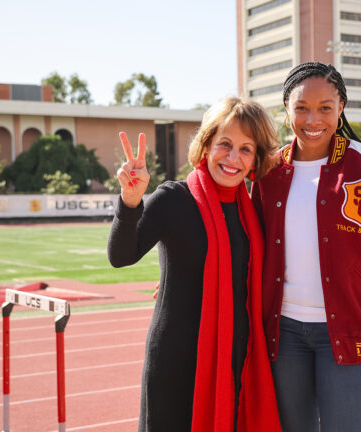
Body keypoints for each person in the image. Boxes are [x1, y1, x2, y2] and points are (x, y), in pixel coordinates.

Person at [251, 62, 361, 431]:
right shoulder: (269, 171)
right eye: (301, 107)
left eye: (325, 108)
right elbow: (246, 243)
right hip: (283, 332)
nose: (312, 119)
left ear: (341, 108)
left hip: (350, 330)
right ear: (286, 109)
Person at [107, 97, 281, 432]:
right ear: (206, 144)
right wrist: (130, 202)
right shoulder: (173, 198)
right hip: (175, 360)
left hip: (234, 360)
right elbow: (121, 256)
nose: (233, 158)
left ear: (255, 159)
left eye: (246, 149)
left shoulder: (252, 211)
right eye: (225, 144)